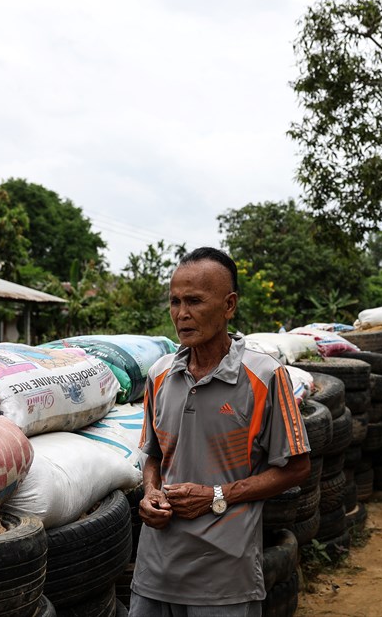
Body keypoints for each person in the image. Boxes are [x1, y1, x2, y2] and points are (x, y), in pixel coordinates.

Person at [131, 247, 311, 617]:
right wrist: (150, 492)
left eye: (195, 301)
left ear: (229, 306)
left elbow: (296, 468)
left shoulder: (264, 376)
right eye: (175, 301)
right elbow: (152, 454)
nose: (182, 314)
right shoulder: (160, 375)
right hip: (154, 573)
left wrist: (216, 495)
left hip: (224, 579)